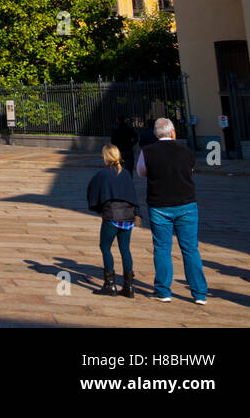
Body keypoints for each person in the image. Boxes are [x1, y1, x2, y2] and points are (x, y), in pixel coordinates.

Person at [137, 118, 208, 304]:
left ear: (156, 134)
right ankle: (200, 293)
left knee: (162, 248)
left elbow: (141, 172)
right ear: (173, 133)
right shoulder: (186, 151)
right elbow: (190, 171)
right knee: (191, 249)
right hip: (186, 204)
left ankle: (163, 291)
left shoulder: (147, 151)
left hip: (159, 204)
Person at [87, 144, 139, 298]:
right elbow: (133, 195)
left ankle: (110, 284)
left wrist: (97, 208)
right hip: (128, 215)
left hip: (112, 214)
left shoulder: (102, 174)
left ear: (106, 157)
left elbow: (92, 192)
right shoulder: (126, 173)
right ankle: (129, 286)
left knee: (105, 247)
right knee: (125, 249)